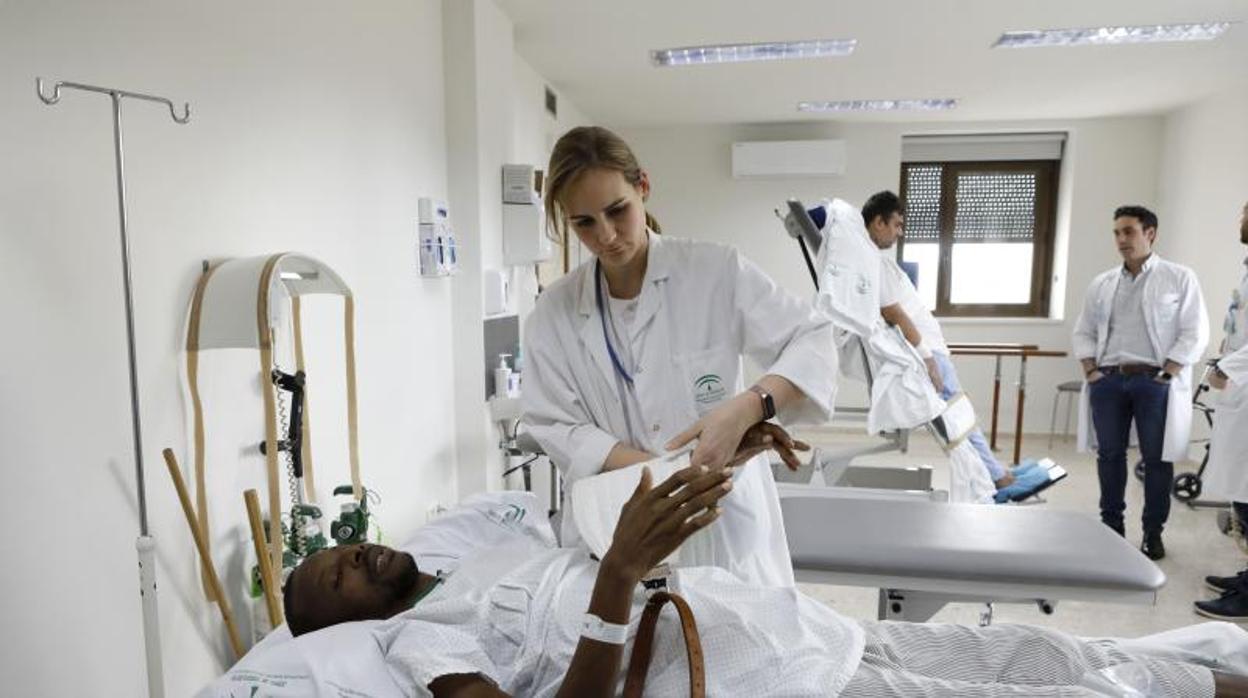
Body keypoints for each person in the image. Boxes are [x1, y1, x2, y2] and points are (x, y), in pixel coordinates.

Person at [282, 465, 1248, 697]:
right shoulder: (419, 642)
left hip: (784, 624)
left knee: (1043, 648)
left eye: (346, 549)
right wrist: (617, 576)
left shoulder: (485, 550)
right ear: (341, 623)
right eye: (338, 576)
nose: (355, 556)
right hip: (755, 682)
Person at [521, 126, 836, 587]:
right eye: (584, 223)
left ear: (643, 187)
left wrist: (750, 406)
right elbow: (555, 424)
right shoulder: (554, 312)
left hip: (722, 520)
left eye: (617, 211)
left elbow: (812, 337)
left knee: (733, 640)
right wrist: (671, 473)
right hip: (616, 516)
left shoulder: (714, 271)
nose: (606, 236)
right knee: (626, 648)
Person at [1073, 205, 1209, 560]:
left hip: (1154, 383)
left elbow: (1195, 331)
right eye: (1117, 232)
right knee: (1109, 456)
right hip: (1109, 381)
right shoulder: (1102, 283)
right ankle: (1111, 529)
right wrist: (1091, 371)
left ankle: (1153, 533)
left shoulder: (1178, 278)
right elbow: (1084, 329)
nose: (1121, 240)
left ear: (1150, 233)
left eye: (1129, 231)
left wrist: (1167, 374)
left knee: (1157, 460)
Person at [860, 191, 1016, 491]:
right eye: (896, 225)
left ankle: (991, 471)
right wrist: (927, 356)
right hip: (927, 352)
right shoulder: (873, 265)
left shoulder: (875, 261)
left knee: (959, 413)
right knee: (959, 415)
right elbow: (894, 313)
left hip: (930, 349)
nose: (899, 232)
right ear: (878, 222)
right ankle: (994, 475)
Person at [1196, 201, 1248, 620]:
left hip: (1241, 385)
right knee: (1242, 494)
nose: (1241, 217)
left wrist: (1225, 368)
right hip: (1238, 392)